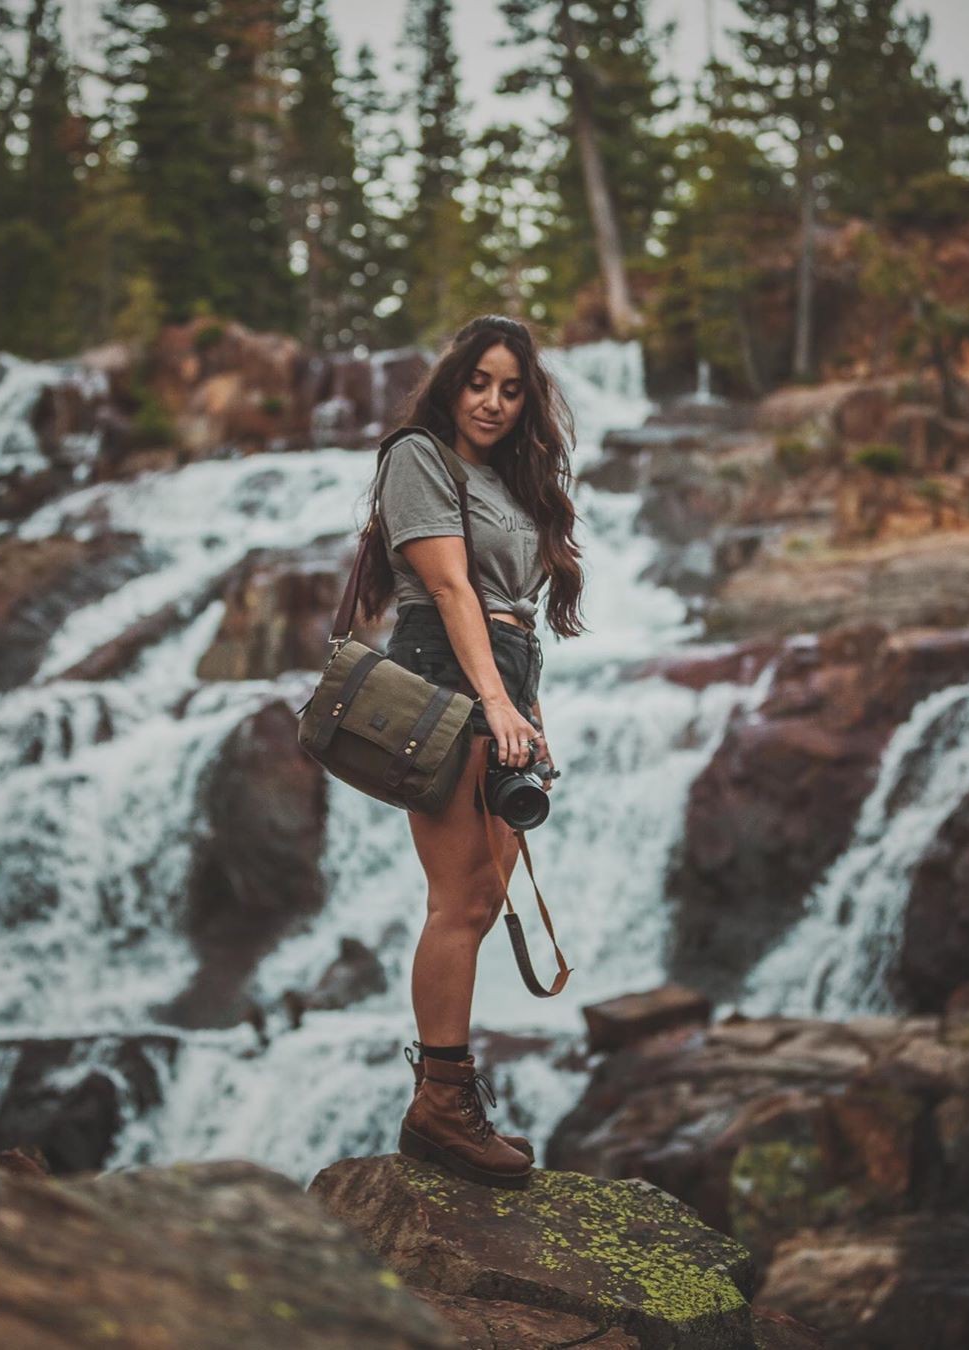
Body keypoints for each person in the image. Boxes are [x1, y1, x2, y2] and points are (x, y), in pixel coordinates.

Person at [357, 314, 586, 1189]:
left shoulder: (508, 479)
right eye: (478, 381)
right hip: (445, 676)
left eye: (511, 387)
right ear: (452, 383)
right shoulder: (420, 456)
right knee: (459, 899)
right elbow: (450, 587)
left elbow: (511, 611)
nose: (492, 400)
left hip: (501, 679)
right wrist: (492, 701)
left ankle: (448, 1100)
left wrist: (527, 709)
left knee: (486, 896)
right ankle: (440, 1108)